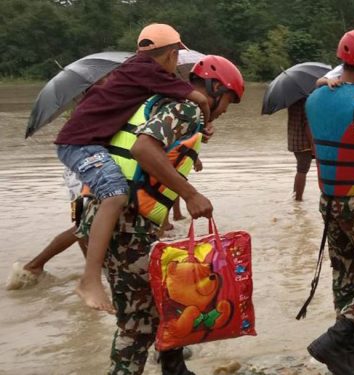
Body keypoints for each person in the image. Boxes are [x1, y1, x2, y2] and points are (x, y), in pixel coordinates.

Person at [76, 54, 244, 374]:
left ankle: (174, 367)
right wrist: (190, 194)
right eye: (228, 103)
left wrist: (189, 148)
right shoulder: (187, 106)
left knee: (160, 301)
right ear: (216, 89)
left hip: (114, 216)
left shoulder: (167, 101)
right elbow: (143, 149)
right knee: (136, 325)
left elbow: (148, 147)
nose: (224, 111)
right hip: (126, 223)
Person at [54, 23, 212, 313]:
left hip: (90, 142)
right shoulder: (149, 71)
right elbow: (199, 97)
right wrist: (206, 120)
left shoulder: (135, 70)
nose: (176, 65)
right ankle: (89, 279)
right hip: (80, 145)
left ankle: (93, 276)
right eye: (176, 58)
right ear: (172, 55)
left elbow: (145, 125)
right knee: (115, 194)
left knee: (108, 200)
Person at [303, 29, 354, 375]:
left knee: (345, 273)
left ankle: (346, 352)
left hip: (329, 201)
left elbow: (314, 147)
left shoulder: (314, 97)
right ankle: (343, 333)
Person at [287, 98, 313, 201]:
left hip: (294, 139)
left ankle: (295, 195)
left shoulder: (292, 101)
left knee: (300, 169)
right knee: (302, 170)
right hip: (304, 142)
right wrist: (313, 143)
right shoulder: (306, 101)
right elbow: (307, 124)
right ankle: (298, 199)